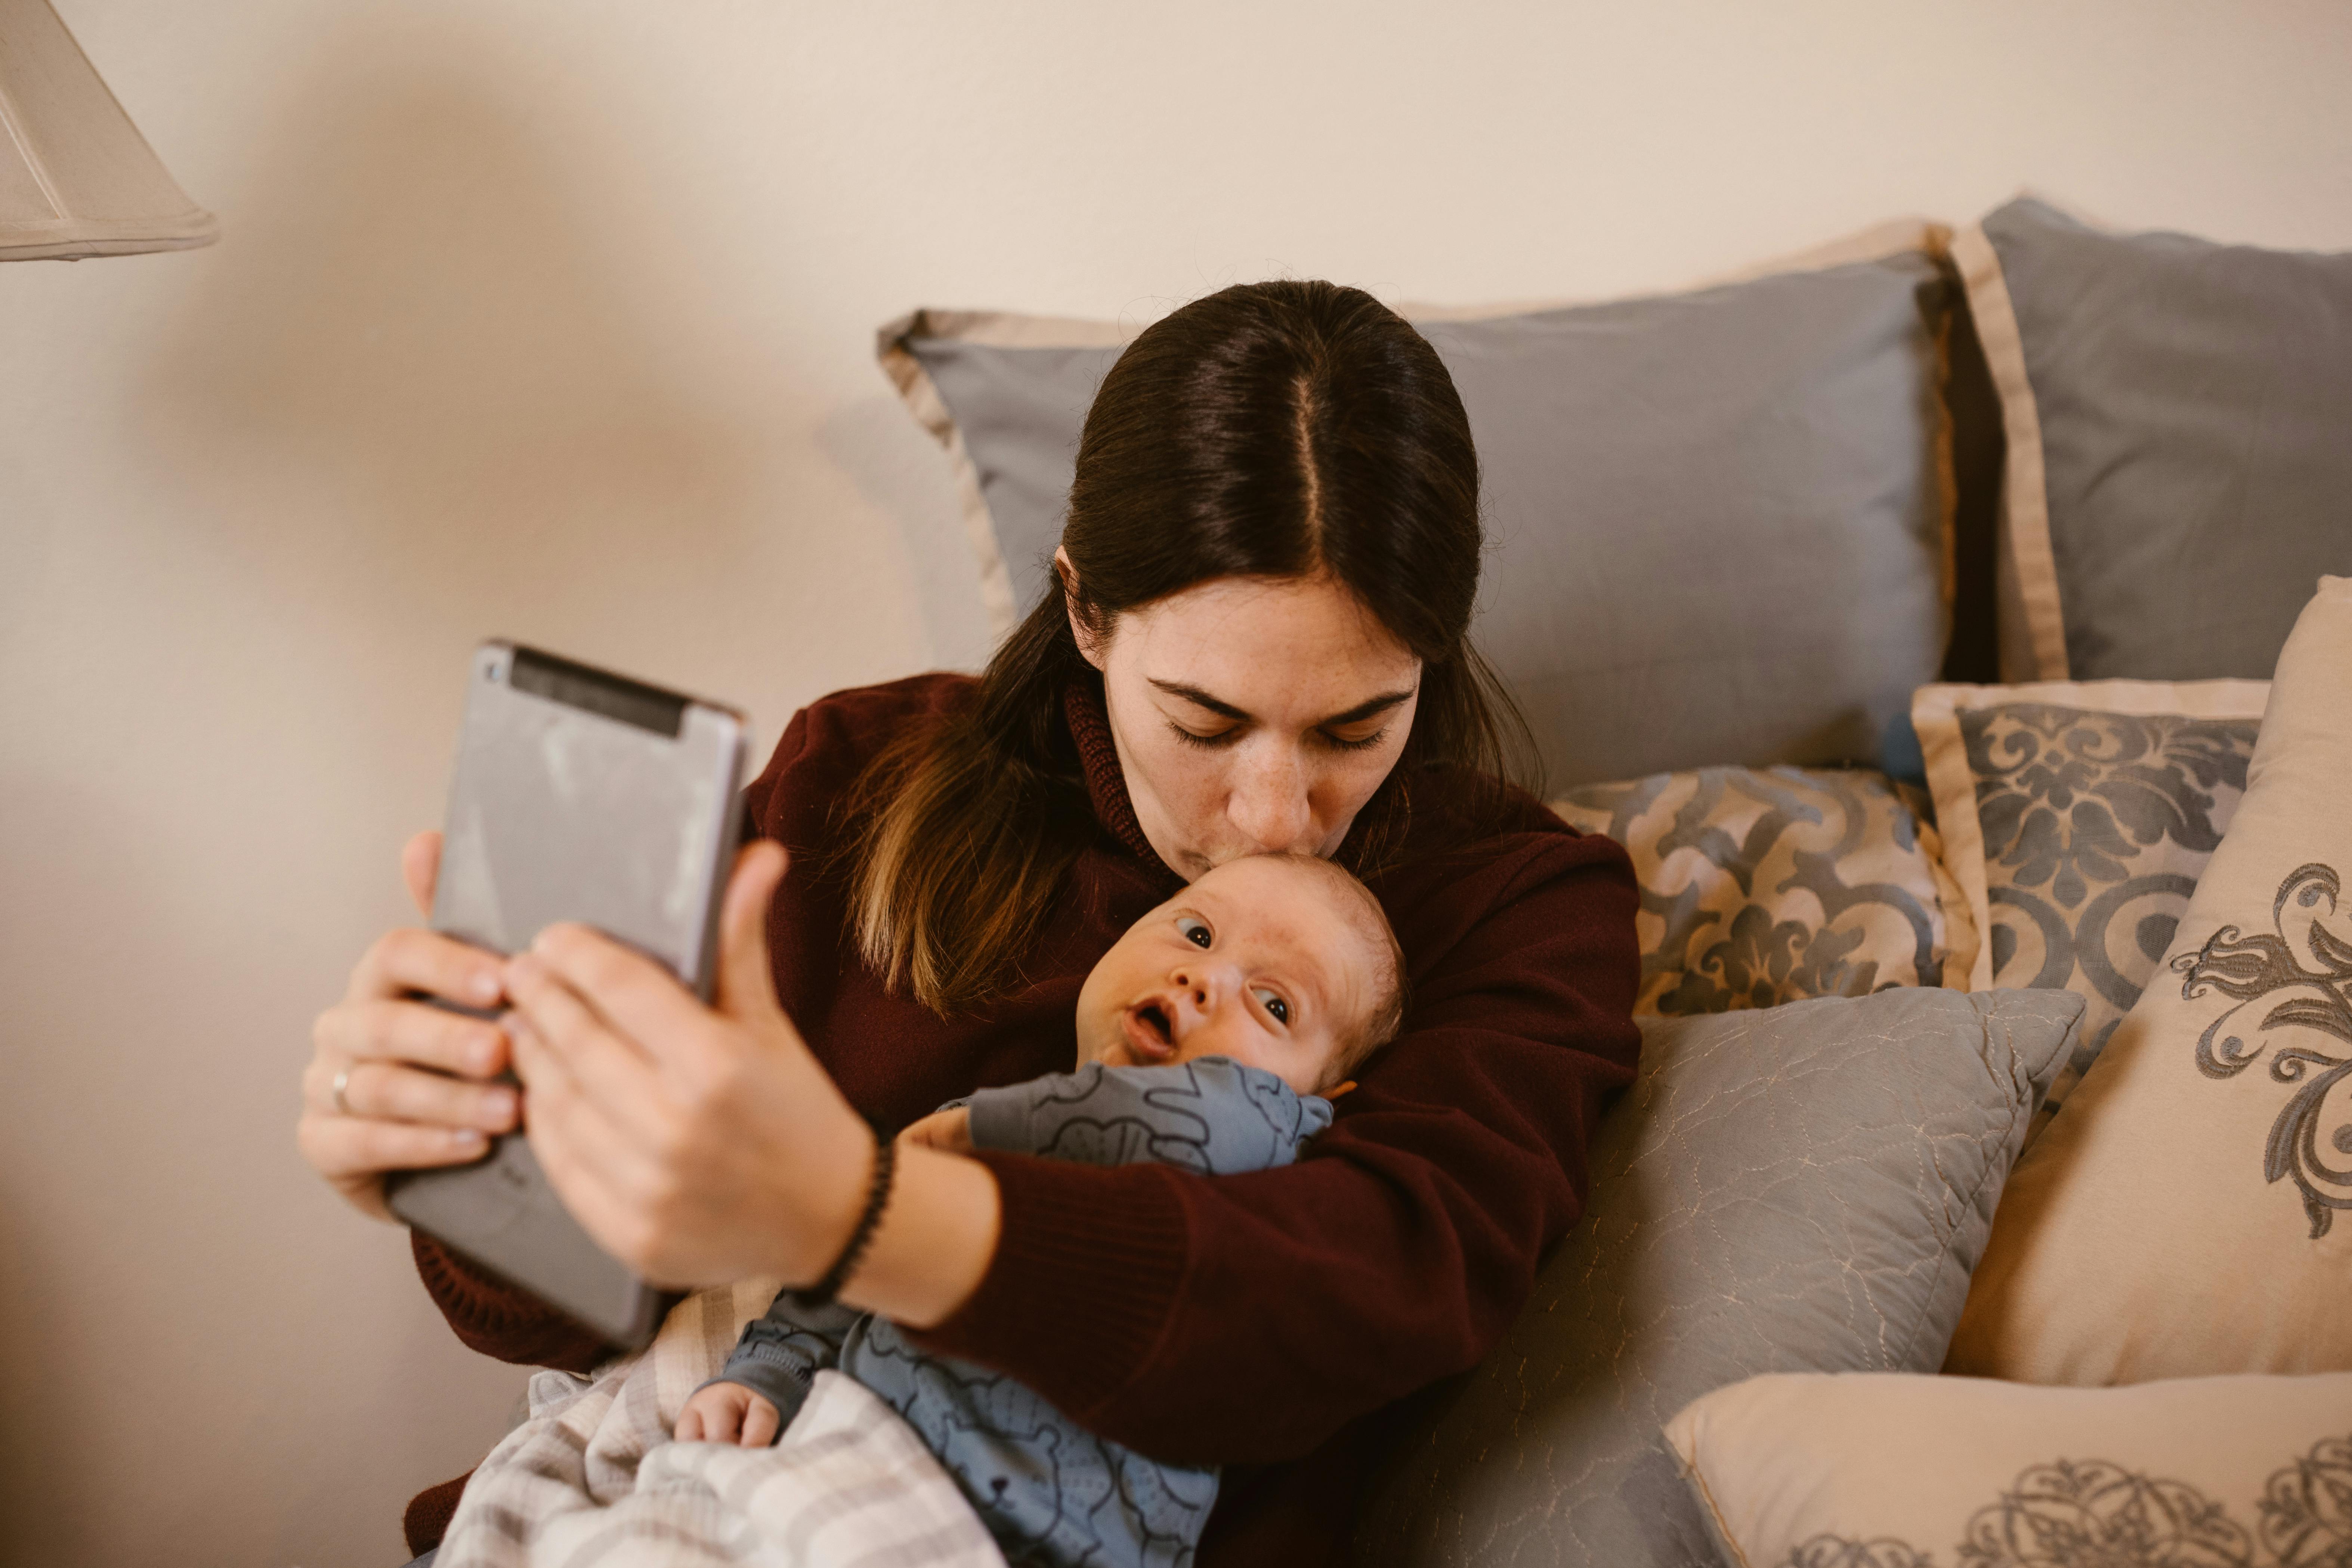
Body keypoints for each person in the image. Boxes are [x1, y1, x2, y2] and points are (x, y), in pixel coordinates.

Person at [299, 278, 1643, 1566]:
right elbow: (542, 1308)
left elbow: (1359, 1293)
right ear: (1083, 612)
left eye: (1357, 726)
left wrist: (858, 1209)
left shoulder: (1515, 905)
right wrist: (469, 1160)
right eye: (1204, 722)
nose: (1276, 814)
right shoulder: (865, 771)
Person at [670, 853, 1402, 1568]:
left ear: (1315, 1104)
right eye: (1197, 933)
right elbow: (849, 1259)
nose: (1204, 978)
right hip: (838, 1459)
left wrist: (981, 1129)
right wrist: (765, 1372)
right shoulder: (982, 1117)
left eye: (1274, 1004)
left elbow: (1187, 1122)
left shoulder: (1260, 1158)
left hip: (1021, 1536)